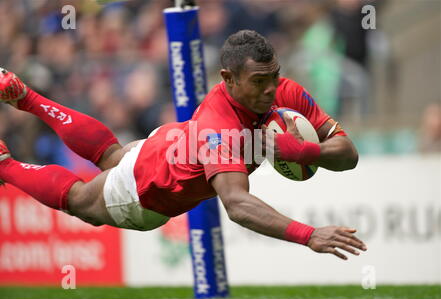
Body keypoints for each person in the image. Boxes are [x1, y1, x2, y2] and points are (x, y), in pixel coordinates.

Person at [0, 30, 366, 260]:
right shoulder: (218, 126)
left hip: (169, 141)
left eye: (274, 77)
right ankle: (5, 164)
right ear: (228, 79)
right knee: (81, 201)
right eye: (258, 82)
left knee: (111, 155)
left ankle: (27, 98)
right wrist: (309, 235)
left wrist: (305, 151)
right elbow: (237, 205)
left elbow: (348, 154)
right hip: (149, 188)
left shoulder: (285, 92)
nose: (270, 89)